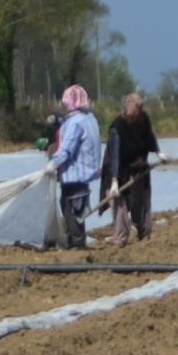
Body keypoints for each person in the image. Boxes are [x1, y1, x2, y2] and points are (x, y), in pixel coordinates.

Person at [100, 93, 168, 248]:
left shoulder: (143, 120)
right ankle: (120, 240)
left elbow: (149, 137)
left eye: (134, 117)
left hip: (137, 166)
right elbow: (115, 154)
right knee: (120, 205)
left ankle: (144, 233)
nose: (131, 119)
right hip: (116, 169)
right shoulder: (117, 128)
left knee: (141, 202)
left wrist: (158, 152)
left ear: (139, 113)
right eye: (128, 116)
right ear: (123, 112)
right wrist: (115, 181)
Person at [45, 84, 102, 249]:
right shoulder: (89, 118)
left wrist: (52, 164)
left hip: (74, 174)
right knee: (76, 207)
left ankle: (77, 242)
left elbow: (66, 149)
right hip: (85, 172)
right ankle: (74, 239)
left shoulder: (76, 122)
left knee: (70, 208)